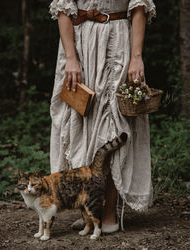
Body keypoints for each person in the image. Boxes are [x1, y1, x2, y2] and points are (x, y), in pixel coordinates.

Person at [49, 0, 156, 233]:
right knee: (80, 123)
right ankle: (88, 210)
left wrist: (136, 57)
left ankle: (109, 212)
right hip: (80, 46)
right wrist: (70, 58)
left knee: (115, 126)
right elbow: (62, 10)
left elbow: (139, 8)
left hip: (117, 43)